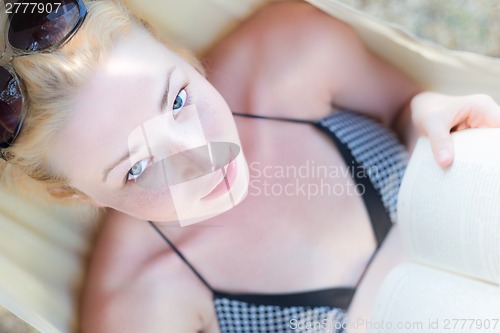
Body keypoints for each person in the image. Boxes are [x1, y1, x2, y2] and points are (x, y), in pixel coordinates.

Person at [1, 0, 499, 332]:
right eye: (137, 167)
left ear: (174, 50)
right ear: (79, 196)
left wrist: (427, 112)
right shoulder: (141, 304)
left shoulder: (290, 59)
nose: (200, 157)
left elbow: (399, 108)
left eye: (177, 100)